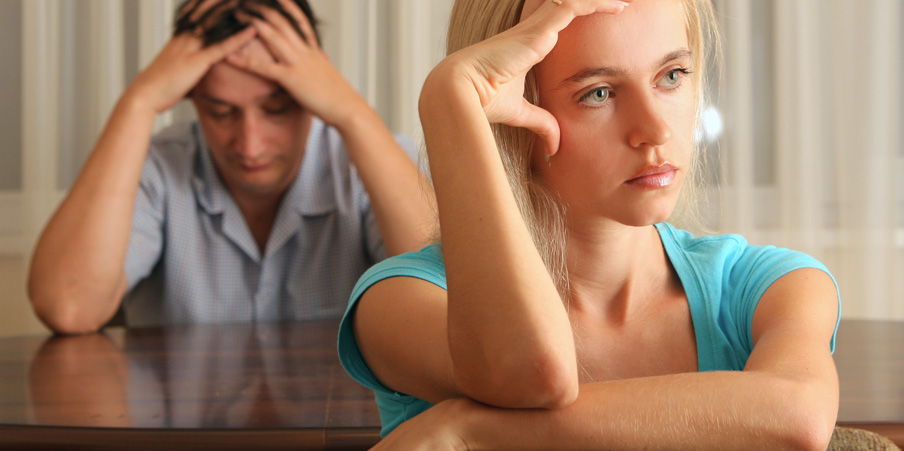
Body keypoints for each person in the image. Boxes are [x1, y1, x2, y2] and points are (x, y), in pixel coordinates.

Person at [337, 0, 842, 449]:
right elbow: (532, 376)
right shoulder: (400, 300)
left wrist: (473, 431)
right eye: (598, 93)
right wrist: (450, 99)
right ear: (511, 111)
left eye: (671, 76)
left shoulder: (774, 285)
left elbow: (799, 417)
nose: (656, 130)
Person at [28, 0, 434, 334]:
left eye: (277, 108)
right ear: (189, 94)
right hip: (181, 431)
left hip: (344, 432)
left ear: (316, 90)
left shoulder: (369, 160)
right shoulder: (156, 168)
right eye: (220, 111)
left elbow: (450, 294)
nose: (249, 144)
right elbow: (69, 307)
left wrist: (352, 113)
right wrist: (140, 101)